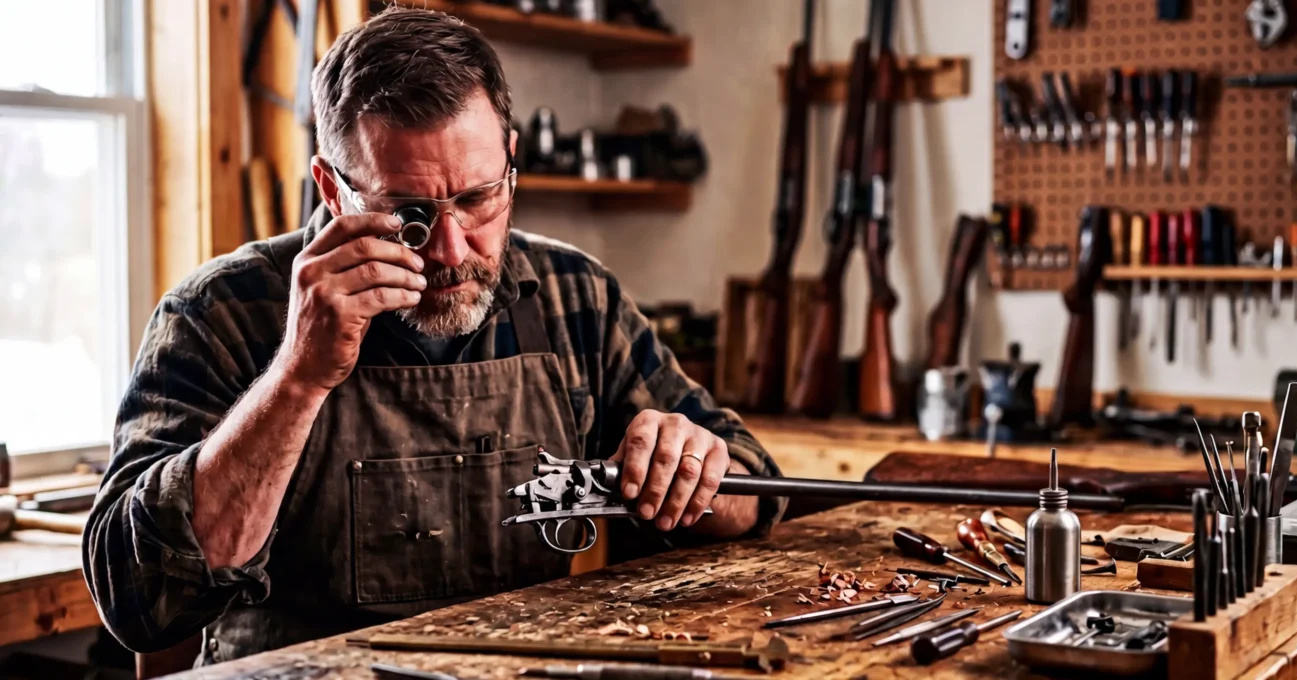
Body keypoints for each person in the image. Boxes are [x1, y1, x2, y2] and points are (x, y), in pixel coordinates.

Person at [81, 6, 785, 666]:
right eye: (408, 214)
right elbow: (137, 601)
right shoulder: (218, 315)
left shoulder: (575, 298)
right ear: (334, 190)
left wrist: (698, 472)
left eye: (479, 198)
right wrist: (297, 376)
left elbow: (762, 489)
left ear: (510, 159)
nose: (450, 248)